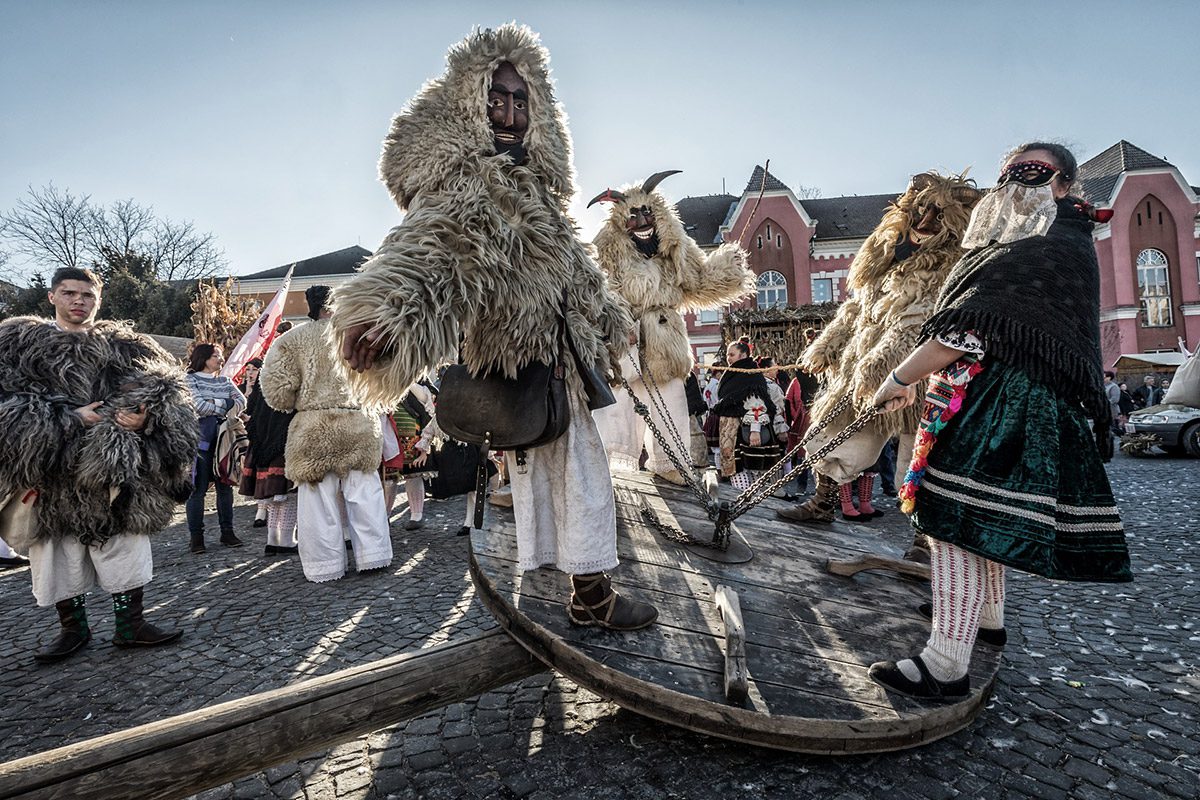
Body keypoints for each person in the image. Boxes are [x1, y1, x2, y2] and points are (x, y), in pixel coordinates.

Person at [330, 24, 656, 630]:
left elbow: (573, 270)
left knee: (561, 478)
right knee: (576, 477)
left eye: (519, 100)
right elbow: (428, 254)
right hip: (517, 364)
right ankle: (591, 599)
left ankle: (564, 591)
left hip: (560, 364)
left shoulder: (534, 187)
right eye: (496, 98)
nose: (508, 113)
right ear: (470, 103)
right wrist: (386, 318)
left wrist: (609, 320)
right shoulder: (467, 184)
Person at [866, 142, 1131, 701]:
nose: (1015, 180)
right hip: (1006, 398)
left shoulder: (1044, 242)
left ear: (1064, 183)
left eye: (1032, 171)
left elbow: (967, 330)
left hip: (1001, 402)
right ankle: (985, 616)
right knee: (980, 518)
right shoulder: (1060, 236)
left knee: (952, 522)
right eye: (1010, 170)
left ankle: (944, 665)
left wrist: (900, 379)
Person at [0, 267, 193, 661]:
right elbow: (8, 410)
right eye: (69, 293)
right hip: (53, 475)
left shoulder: (129, 348)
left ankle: (131, 625)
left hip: (119, 471)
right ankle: (73, 630)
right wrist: (70, 419)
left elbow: (170, 398)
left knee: (125, 548)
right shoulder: (17, 346)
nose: (78, 301)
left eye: (87, 295)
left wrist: (147, 419)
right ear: (52, 297)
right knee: (58, 557)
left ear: (98, 300)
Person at [777, 172, 981, 526]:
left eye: (937, 215)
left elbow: (915, 324)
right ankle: (822, 503)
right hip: (865, 369)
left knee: (918, 454)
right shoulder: (884, 260)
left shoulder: (947, 269)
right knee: (834, 430)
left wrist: (882, 364)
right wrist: (828, 345)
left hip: (920, 376)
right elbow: (855, 310)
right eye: (921, 211)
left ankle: (923, 540)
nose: (926, 222)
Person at [589, 169, 752, 485]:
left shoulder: (676, 249)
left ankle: (670, 463)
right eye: (633, 216)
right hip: (626, 342)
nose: (641, 221)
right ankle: (608, 464)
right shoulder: (609, 253)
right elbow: (600, 290)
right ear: (621, 222)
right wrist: (619, 322)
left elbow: (700, 280)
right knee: (616, 404)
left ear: (659, 213)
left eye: (647, 212)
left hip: (665, 339)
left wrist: (730, 267)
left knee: (671, 398)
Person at [260, 285, 393, 582]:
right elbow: (387, 378)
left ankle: (325, 565)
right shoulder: (359, 335)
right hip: (357, 423)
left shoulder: (292, 340)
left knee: (317, 503)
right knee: (365, 494)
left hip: (312, 428)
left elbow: (276, 391)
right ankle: (374, 555)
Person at [184, 343, 247, 552]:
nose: (221, 359)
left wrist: (213, 402)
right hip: (201, 443)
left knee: (225, 487)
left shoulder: (225, 380)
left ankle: (227, 532)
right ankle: (196, 538)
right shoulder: (189, 380)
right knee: (198, 490)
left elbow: (242, 401)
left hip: (225, 442)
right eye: (216, 356)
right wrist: (225, 404)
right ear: (204, 358)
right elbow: (198, 407)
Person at [239, 357, 298, 555]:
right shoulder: (289, 382)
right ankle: (287, 540)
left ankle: (272, 539)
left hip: (261, 442)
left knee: (273, 498)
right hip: (283, 442)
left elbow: (251, 410)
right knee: (288, 496)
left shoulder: (264, 380)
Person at [712, 341, 784, 492]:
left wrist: (755, 430)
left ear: (743, 355)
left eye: (732, 354)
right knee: (741, 472)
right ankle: (749, 502)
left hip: (744, 431)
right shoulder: (736, 373)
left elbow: (756, 402)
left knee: (745, 472)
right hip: (732, 429)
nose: (729, 358)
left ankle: (749, 505)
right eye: (727, 355)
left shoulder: (750, 374)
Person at [238, 358, 270, 529]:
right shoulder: (241, 391)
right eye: (248, 370)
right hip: (245, 436)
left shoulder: (264, 390)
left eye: (254, 370)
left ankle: (262, 512)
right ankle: (261, 511)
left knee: (264, 473)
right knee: (256, 475)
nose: (250, 373)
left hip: (262, 436)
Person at [1104, 370, 1122, 436]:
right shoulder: (1103, 386)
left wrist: (1104, 403)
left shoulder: (1113, 386)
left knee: (1114, 428)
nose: (1103, 378)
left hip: (1112, 410)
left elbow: (1114, 399)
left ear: (1109, 377)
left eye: (1105, 377)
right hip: (1104, 410)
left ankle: (1123, 438)